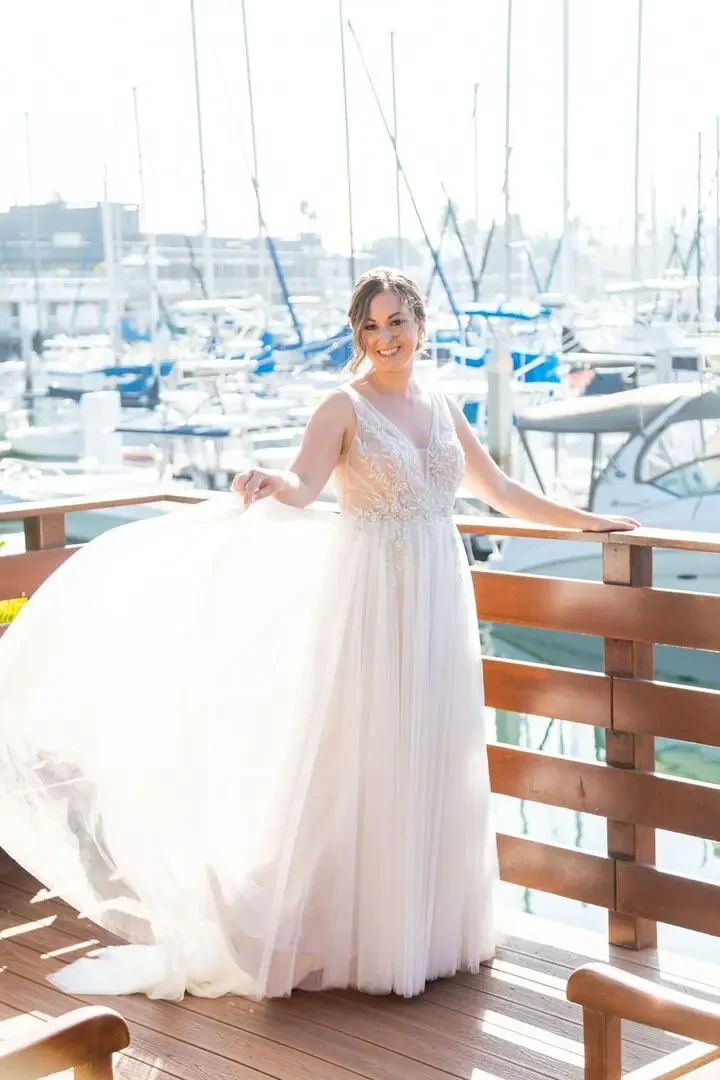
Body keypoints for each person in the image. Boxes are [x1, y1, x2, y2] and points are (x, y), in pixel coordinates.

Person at [0, 268, 637, 1002]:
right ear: (358, 335)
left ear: (421, 325)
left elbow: (499, 491)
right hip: (372, 603)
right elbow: (304, 486)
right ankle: (359, 936)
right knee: (368, 751)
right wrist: (272, 483)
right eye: (371, 326)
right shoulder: (342, 405)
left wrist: (587, 522)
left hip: (438, 597)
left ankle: (426, 930)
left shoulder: (442, 405)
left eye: (397, 322)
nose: (386, 337)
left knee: (437, 747)